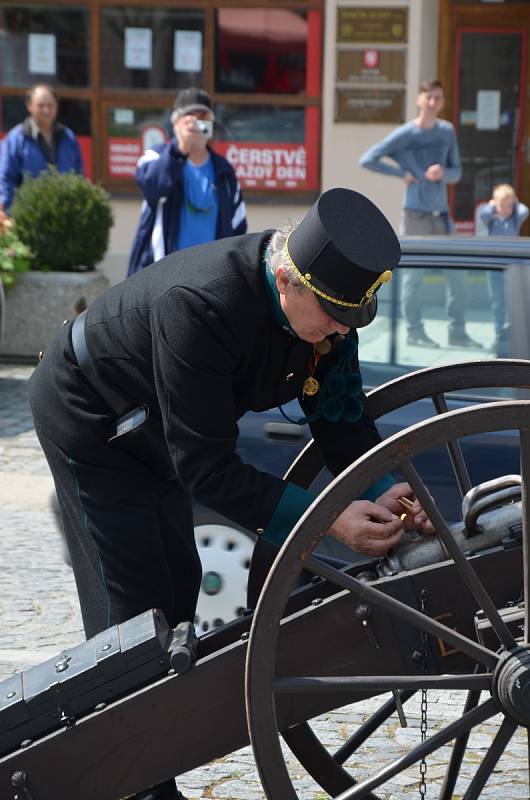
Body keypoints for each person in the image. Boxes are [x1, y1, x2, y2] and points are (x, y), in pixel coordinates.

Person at [29, 188, 433, 800]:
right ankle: (127, 780)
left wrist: (384, 485)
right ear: (283, 279)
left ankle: (151, 763)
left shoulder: (331, 305)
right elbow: (209, 472)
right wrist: (326, 521)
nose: (339, 331)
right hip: (92, 420)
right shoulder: (201, 304)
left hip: (160, 430)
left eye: (352, 317)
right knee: (132, 606)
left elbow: (341, 417)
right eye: (331, 315)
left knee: (179, 595)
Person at [359, 78, 479, 349]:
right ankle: (415, 331)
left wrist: (444, 173)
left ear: (443, 102)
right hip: (415, 215)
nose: (433, 103)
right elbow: (367, 158)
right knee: (413, 278)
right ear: (419, 100)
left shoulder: (447, 131)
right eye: (429, 97)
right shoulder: (406, 134)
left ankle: (457, 332)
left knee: (458, 277)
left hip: (442, 215)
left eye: (438, 98)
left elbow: (458, 171)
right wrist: (401, 173)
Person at [127, 87, 247, 277]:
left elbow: (238, 230)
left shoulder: (225, 171)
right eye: (189, 117)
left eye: (202, 117)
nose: (196, 123)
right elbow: (151, 187)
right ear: (175, 122)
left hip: (208, 277)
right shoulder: (156, 157)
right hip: (161, 274)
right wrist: (181, 148)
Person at [0, 83, 84, 212]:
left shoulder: (68, 137)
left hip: (63, 216)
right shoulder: (16, 139)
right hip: (27, 215)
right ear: (29, 106)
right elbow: (6, 178)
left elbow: (79, 176)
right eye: (41, 106)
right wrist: (7, 210)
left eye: (50, 105)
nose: (46, 110)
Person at [479, 183, 529, 351]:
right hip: (494, 268)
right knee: (497, 302)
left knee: (513, 302)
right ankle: (499, 332)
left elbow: (524, 211)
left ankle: (513, 333)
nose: (506, 209)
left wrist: (514, 202)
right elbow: (483, 214)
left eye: (510, 206)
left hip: (513, 268)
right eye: (502, 205)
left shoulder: (515, 219)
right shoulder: (492, 220)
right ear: (495, 204)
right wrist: (492, 205)